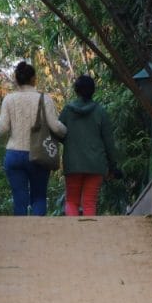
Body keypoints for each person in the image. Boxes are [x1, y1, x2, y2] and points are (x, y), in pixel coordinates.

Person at [0, 61, 66, 216]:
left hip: (14, 154)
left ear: (17, 79)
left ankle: (20, 235)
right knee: (39, 197)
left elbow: (2, 128)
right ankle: (38, 235)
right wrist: (66, 131)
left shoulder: (9, 99)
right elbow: (55, 126)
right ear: (34, 79)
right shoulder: (44, 98)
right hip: (38, 155)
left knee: (19, 198)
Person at [58, 74, 119, 217]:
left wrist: (69, 141)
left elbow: (58, 132)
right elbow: (109, 142)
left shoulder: (67, 111)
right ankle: (89, 236)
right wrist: (113, 165)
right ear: (93, 91)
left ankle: (72, 235)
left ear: (76, 90)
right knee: (89, 201)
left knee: (72, 201)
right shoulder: (100, 112)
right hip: (96, 164)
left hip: (73, 163)